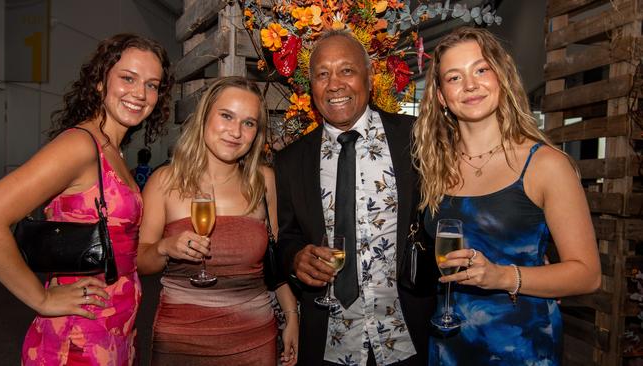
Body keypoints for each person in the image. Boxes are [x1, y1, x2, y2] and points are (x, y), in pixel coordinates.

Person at [412, 26, 601, 365]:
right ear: (440, 96)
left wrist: (502, 276)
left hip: (521, 345)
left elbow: (587, 274)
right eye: (454, 78)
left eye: (481, 70)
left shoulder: (545, 165)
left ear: (501, 76)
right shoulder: (433, 166)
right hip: (448, 343)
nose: (470, 85)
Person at [0, 33, 173, 365]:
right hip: (77, 341)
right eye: (128, 78)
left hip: (114, 331)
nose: (140, 93)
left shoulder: (112, 148)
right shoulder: (80, 145)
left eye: (152, 85)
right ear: (100, 83)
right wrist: (42, 299)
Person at [275, 30, 436, 366]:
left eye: (346, 70)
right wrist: (295, 258)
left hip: (405, 335)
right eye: (322, 74)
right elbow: (288, 235)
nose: (334, 84)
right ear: (312, 86)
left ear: (369, 77)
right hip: (329, 340)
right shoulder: (291, 160)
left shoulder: (415, 137)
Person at [137, 76, 299, 366]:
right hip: (181, 340)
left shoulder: (264, 181)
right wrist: (165, 247)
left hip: (254, 339)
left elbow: (276, 265)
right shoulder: (165, 181)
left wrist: (291, 316)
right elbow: (141, 259)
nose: (236, 132)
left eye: (248, 123)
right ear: (204, 118)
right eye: (226, 116)